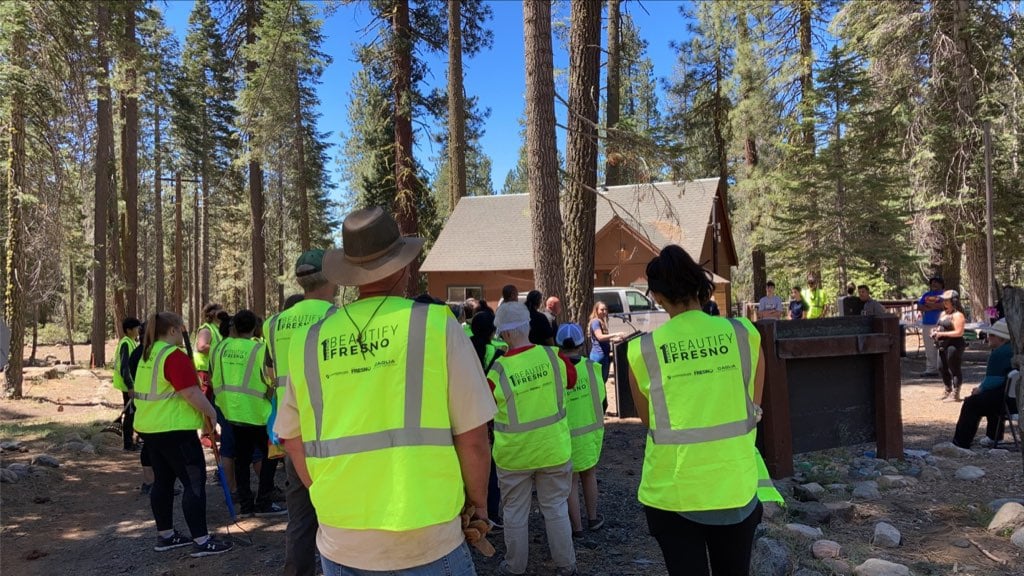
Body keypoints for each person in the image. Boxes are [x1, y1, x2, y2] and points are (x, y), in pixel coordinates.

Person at [275, 207, 495, 575]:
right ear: (403, 265)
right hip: (427, 533)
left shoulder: (308, 341)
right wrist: (479, 506)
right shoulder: (436, 325)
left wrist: (325, 490)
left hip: (340, 538)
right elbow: (473, 437)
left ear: (348, 272)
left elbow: (291, 439)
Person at [626, 245, 765, 576]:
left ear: (658, 296)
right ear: (700, 286)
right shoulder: (744, 334)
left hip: (673, 494)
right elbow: (753, 409)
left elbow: (651, 422)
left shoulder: (642, 351)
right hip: (735, 487)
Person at [263, 250, 339, 576]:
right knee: (339, 513)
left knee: (299, 514)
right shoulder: (337, 318)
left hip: (292, 431)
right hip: (332, 430)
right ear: (331, 279)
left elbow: (269, 374)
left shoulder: (273, 323)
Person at [488, 301, 578, 576]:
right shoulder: (554, 357)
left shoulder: (497, 372)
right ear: (527, 326)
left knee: (515, 512)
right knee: (555, 507)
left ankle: (515, 566)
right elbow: (571, 381)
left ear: (504, 334)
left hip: (514, 456)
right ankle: (566, 564)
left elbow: (484, 408)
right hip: (553, 448)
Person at [134, 312, 232, 557]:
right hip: (175, 429)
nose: (184, 334)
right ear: (173, 330)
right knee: (193, 482)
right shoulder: (172, 355)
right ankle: (201, 540)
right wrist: (211, 414)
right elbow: (191, 393)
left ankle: (166, 535)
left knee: (163, 482)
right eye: (182, 329)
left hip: (152, 428)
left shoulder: (148, 354)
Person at [211, 309, 286, 517]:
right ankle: (264, 501)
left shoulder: (221, 347)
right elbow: (270, 380)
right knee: (270, 457)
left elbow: (215, 377)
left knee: (241, 459)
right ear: (254, 327)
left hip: (232, 412)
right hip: (258, 412)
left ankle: (245, 504)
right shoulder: (259, 349)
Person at [556, 323, 606, 537]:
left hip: (566, 435)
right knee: (589, 474)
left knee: (571, 481)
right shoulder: (592, 367)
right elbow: (602, 398)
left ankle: (576, 528)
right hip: (590, 432)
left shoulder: (556, 369)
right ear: (580, 343)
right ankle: (593, 518)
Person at [952, 319, 1017, 448]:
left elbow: (993, 379)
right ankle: (994, 436)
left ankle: (961, 442)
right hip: (1015, 400)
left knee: (972, 403)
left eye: (993, 335)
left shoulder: (999, 353)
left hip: (1006, 402)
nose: (989, 337)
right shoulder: (1012, 350)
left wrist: (980, 389)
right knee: (990, 398)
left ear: (1003, 339)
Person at [469, 309, 505, 528]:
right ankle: (491, 512)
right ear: (493, 331)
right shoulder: (499, 353)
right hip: (489, 415)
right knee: (489, 466)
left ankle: (467, 513)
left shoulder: (464, 347)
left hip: (464, 411)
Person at [113, 317, 142, 451]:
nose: (138, 330)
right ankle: (128, 443)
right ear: (129, 330)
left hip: (131, 384)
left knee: (133, 413)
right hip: (127, 385)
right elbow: (124, 367)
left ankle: (134, 440)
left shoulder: (131, 342)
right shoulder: (126, 343)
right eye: (136, 328)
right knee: (130, 415)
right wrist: (130, 385)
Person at [933, 290, 967, 402]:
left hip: (954, 345)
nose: (944, 302)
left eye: (947, 300)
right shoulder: (943, 314)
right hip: (943, 345)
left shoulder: (958, 315)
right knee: (941, 367)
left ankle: (955, 393)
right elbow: (939, 326)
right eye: (944, 300)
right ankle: (947, 389)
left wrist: (941, 334)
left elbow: (959, 332)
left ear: (954, 301)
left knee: (954, 368)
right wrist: (935, 332)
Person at [193, 303, 225, 397]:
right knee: (206, 398)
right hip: (203, 371)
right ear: (213, 314)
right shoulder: (206, 329)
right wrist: (221, 351)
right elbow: (201, 347)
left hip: (211, 371)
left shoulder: (216, 329)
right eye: (220, 311)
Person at [588, 302, 624, 384]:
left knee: (602, 382)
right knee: (599, 383)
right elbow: (600, 337)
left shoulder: (601, 321)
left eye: (605, 309)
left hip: (604, 356)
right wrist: (615, 334)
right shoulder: (595, 322)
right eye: (602, 309)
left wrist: (614, 339)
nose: (604, 311)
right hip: (598, 356)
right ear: (596, 310)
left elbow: (602, 339)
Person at [916, 276, 945, 377]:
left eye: (937, 282)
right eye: (932, 283)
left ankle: (943, 368)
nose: (934, 285)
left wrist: (929, 306)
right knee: (929, 348)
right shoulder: (926, 295)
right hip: (927, 323)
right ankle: (931, 369)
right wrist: (933, 307)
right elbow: (919, 306)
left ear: (941, 284)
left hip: (941, 323)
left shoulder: (945, 295)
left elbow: (943, 306)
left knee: (941, 346)